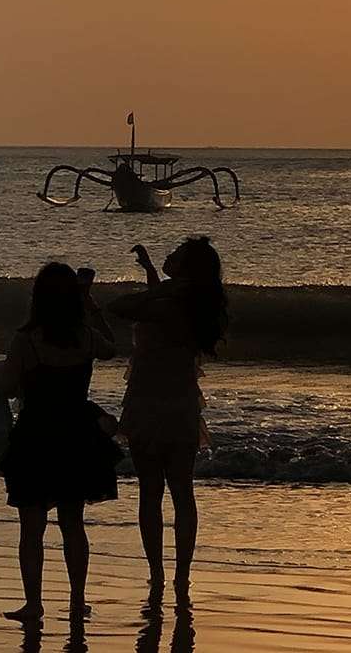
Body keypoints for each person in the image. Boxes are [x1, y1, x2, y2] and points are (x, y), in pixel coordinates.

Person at [0, 263, 119, 622]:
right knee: (72, 524)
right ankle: (77, 600)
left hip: (36, 435)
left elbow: (7, 388)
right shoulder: (86, 337)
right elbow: (112, 348)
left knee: (31, 528)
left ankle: (34, 603)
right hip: (76, 434)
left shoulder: (26, 340)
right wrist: (91, 306)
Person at [109, 237, 227, 594]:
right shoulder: (194, 303)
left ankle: (159, 573)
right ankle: (180, 575)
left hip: (148, 401)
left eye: (176, 254)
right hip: (181, 404)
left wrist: (157, 289)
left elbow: (121, 306)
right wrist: (151, 274)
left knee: (151, 492)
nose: (169, 255)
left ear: (185, 268)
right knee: (182, 491)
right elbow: (160, 308)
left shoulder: (171, 303)